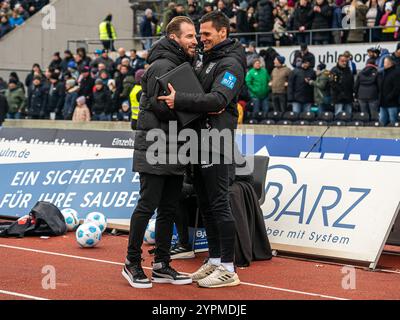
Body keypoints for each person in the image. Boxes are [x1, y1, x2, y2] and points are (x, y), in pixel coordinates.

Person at [158, 11, 246, 288]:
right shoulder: (208, 61)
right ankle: (216, 260)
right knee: (206, 206)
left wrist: (181, 99)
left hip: (217, 142)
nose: (201, 39)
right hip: (199, 141)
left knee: (219, 204)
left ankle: (229, 269)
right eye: (199, 33)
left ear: (223, 32)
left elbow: (218, 99)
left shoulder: (231, 63)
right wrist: (202, 101)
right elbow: (208, 100)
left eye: (206, 34)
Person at [122, 16, 198, 289]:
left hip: (175, 147)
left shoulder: (180, 65)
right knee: (147, 206)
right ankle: (132, 262)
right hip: (155, 147)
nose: (195, 40)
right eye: (189, 36)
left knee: (168, 208)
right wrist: (192, 106)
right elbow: (159, 106)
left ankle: (162, 264)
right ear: (174, 37)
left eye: (195, 35)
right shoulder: (162, 66)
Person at [378, 56, 400, 126]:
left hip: (392, 103)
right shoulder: (384, 73)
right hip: (383, 103)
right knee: (382, 121)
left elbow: (397, 88)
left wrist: (389, 97)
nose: (383, 64)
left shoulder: (396, 73)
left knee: (393, 121)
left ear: (390, 63)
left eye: (385, 63)